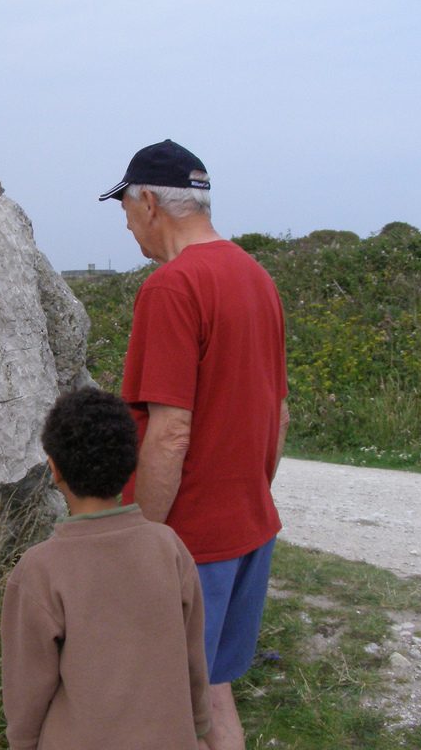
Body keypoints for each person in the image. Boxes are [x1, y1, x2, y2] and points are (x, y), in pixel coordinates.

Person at [98, 140, 290, 750]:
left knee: (162, 708)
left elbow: (169, 431)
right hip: (250, 529)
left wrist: (144, 539)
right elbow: (278, 414)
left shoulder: (172, 287)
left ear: (148, 201)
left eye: (125, 209)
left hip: (189, 543)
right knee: (210, 691)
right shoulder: (256, 277)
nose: (128, 227)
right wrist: (248, 494)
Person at [0, 386, 213, 750]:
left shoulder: (40, 569)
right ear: (131, 463)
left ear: (54, 469)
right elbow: (194, 657)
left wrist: (22, 742)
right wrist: (201, 728)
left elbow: (27, 686)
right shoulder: (169, 548)